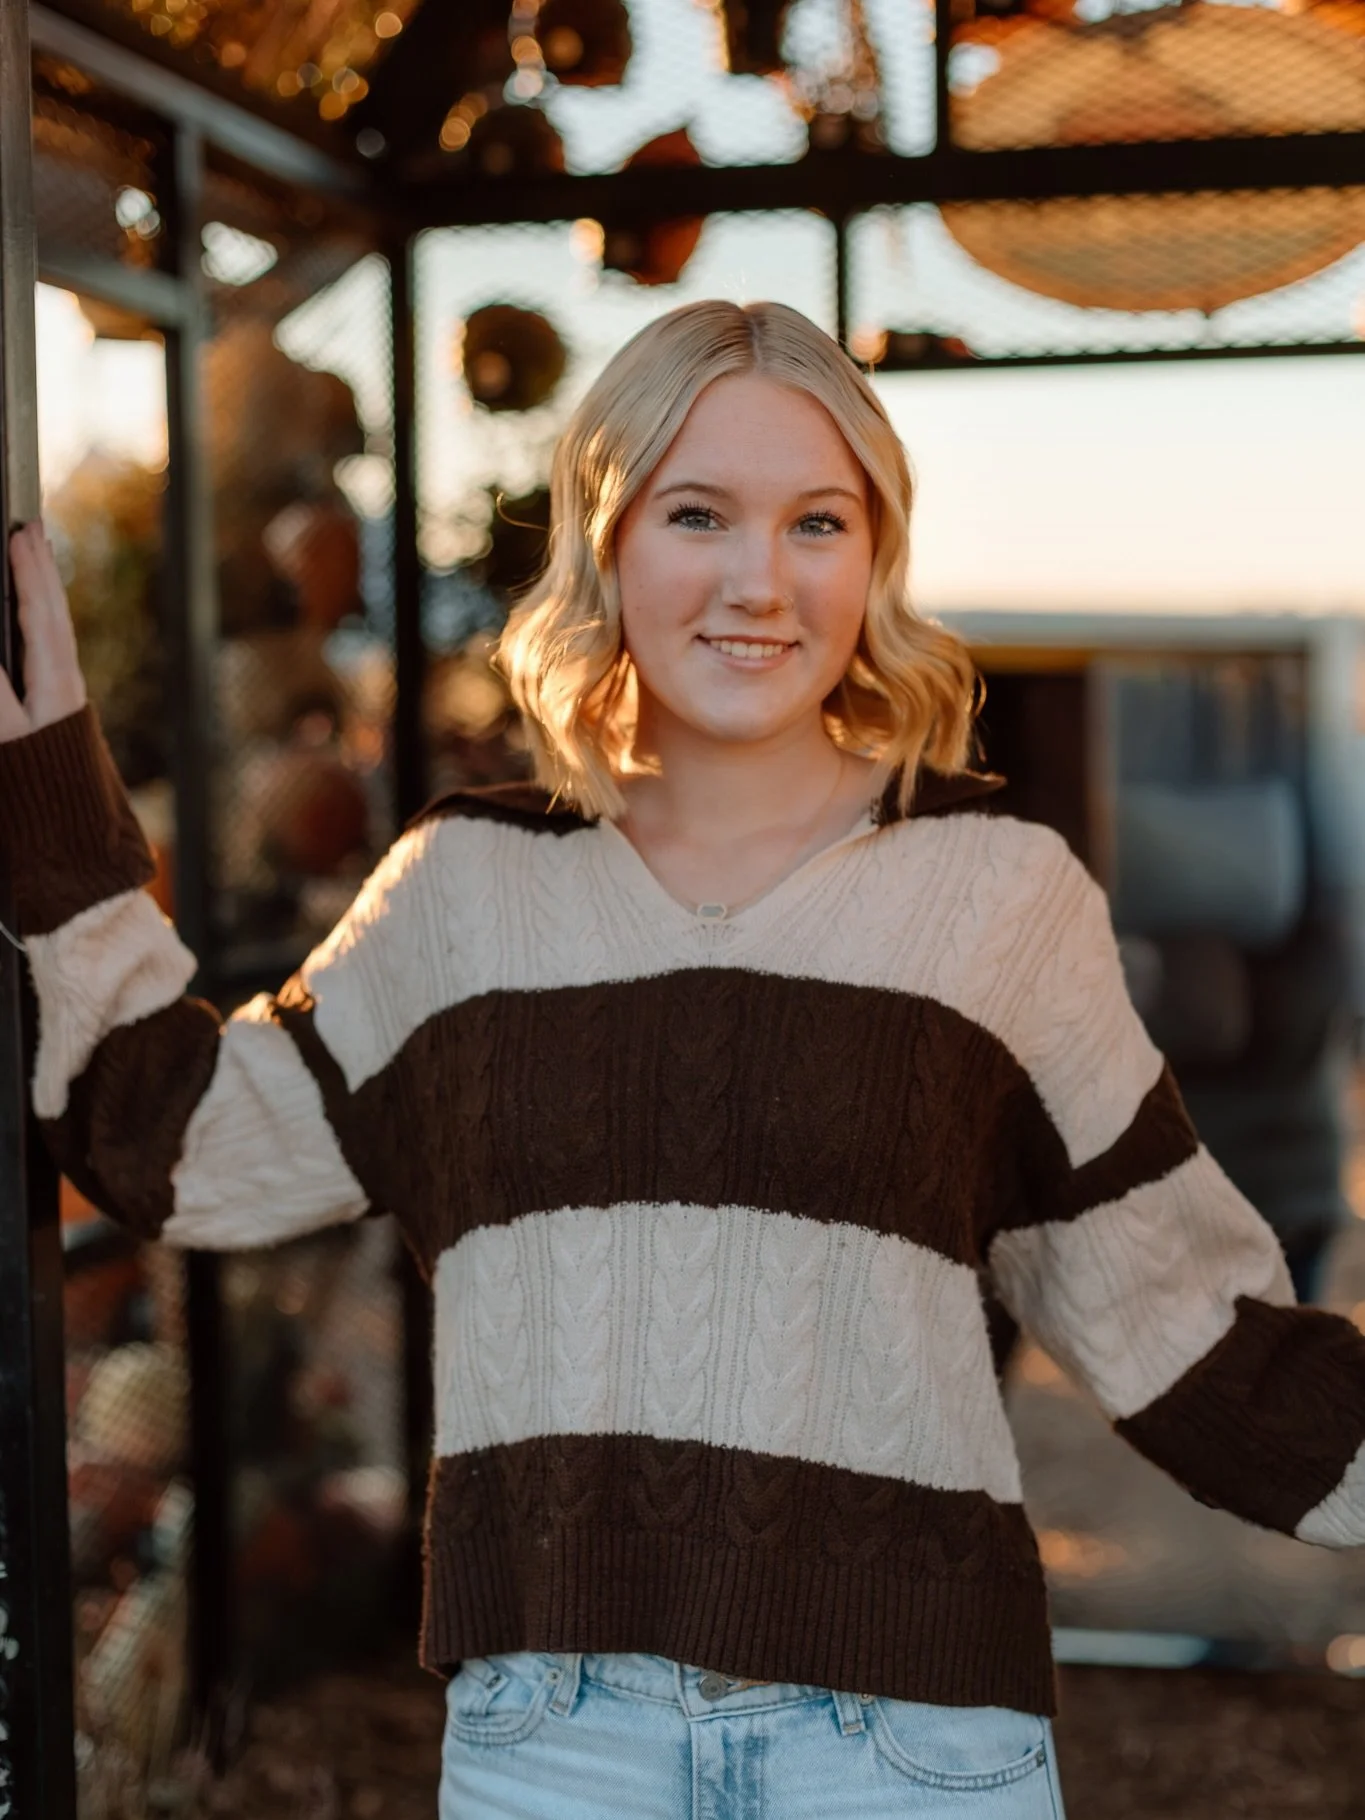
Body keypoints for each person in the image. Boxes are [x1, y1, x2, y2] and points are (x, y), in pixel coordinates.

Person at [3, 298, 1364, 1820]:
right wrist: (47, 791)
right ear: (608, 541)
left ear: (875, 556)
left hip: (910, 1752)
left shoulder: (999, 895)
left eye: (818, 522)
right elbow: (178, 1141)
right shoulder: (465, 893)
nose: (758, 582)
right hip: (552, 1747)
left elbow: (1193, 1334)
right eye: (697, 513)